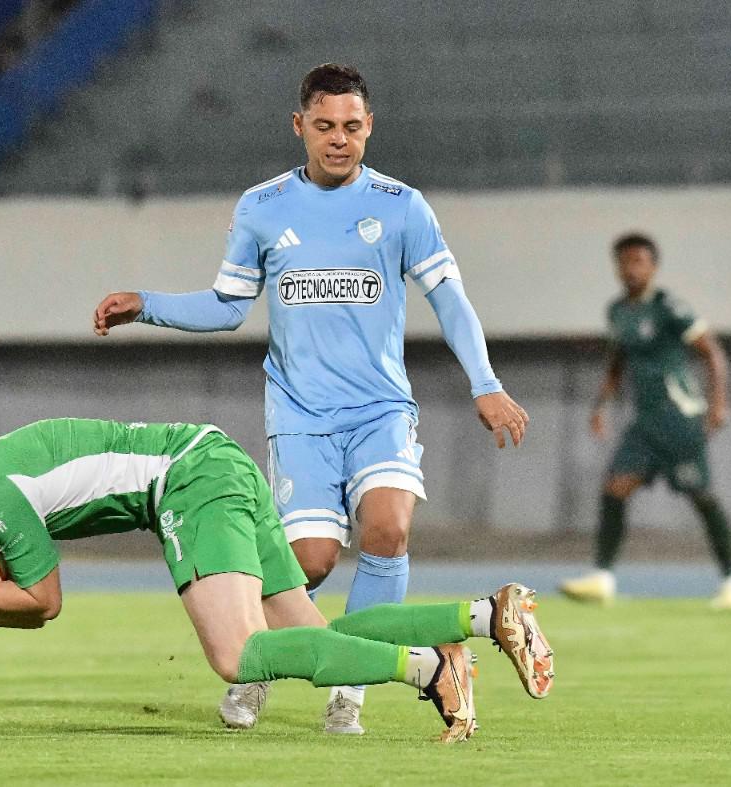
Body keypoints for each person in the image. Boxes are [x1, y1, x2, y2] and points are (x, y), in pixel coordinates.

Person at [92, 63, 529, 733]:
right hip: (300, 418)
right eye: (324, 126)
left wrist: (487, 382)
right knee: (310, 561)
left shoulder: (401, 205)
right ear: (300, 126)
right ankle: (257, 664)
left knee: (388, 528)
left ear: (369, 126)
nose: (339, 139)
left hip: (381, 411)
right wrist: (146, 305)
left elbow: (450, 298)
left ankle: (350, 686)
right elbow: (227, 306)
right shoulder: (263, 208)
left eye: (352, 126)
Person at [0, 408, 553, 743]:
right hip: (214, 460)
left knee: (236, 653)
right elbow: (20, 577)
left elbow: (43, 603)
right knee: (310, 632)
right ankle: (486, 616)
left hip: (192, 482)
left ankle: (431, 670)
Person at [560, 233, 731, 610]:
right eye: (624, 262)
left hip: (679, 418)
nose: (631, 269)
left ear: (653, 267)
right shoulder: (618, 312)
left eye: (639, 262)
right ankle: (602, 578)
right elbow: (617, 361)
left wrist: (719, 404)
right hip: (644, 424)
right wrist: (600, 406)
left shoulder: (669, 308)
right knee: (615, 488)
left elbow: (712, 351)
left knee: (702, 497)